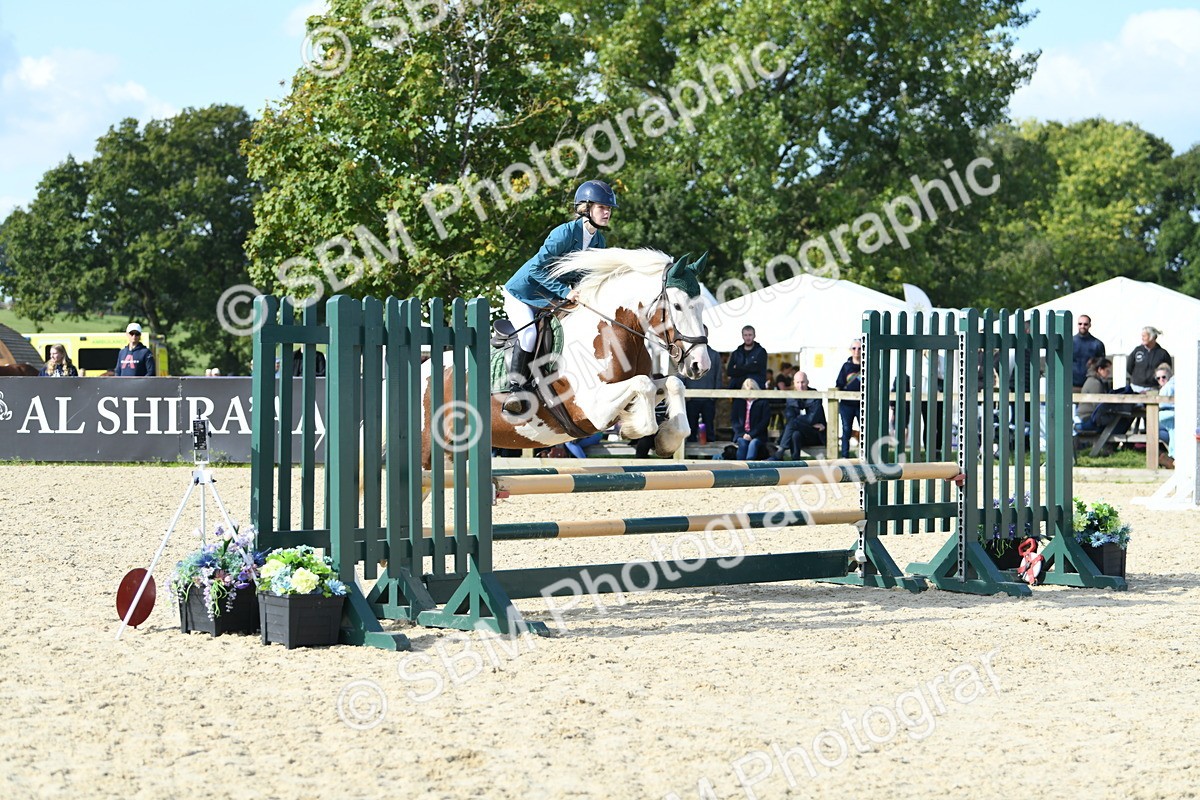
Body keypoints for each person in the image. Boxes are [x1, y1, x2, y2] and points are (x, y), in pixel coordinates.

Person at [501, 180, 616, 413]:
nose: (607, 212)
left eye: (609, 209)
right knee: (530, 334)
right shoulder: (563, 233)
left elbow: (586, 276)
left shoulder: (598, 241)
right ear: (586, 208)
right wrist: (566, 292)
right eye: (602, 207)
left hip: (549, 297)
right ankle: (515, 389)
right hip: (522, 294)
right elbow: (536, 269)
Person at [768, 371, 826, 460]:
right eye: (798, 382)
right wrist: (807, 422)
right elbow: (790, 417)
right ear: (794, 383)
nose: (800, 385)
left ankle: (780, 452)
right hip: (801, 433)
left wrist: (805, 422)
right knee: (795, 434)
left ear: (808, 382)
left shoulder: (815, 396)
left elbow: (812, 418)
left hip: (815, 434)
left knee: (793, 424)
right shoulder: (791, 397)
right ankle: (796, 463)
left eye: (803, 382)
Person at [683, 336, 722, 442]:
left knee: (709, 427)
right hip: (691, 398)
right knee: (691, 428)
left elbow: (718, 376)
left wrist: (714, 396)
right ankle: (691, 457)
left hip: (709, 398)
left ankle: (709, 456)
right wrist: (685, 393)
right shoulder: (688, 355)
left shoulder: (714, 355)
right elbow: (683, 374)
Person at [835, 339, 863, 458]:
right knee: (846, 429)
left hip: (862, 404)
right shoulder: (846, 366)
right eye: (854, 348)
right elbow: (839, 384)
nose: (857, 351)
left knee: (865, 430)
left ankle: (865, 455)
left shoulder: (868, 365)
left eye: (860, 348)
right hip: (847, 404)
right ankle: (844, 456)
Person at [731, 378, 770, 460]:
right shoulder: (738, 402)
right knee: (742, 443)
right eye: (746, 389)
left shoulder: (763, 403)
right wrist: (743, 434)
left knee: (753, 443)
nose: (749, 392)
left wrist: (751, 434)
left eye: (751, 389)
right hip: (741, 434)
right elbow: (734, 421)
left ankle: (750, 466)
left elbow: (764, 422)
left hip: (758, 435)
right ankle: (740, 467)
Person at [1075, 357, 1115, 432]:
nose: (1109, 374)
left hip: (1086, 417)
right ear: (1100, 369)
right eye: (1107, 371)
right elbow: (1099, 406)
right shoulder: (1095, 384)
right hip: (1087, 419)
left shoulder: (1093, 381)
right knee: (1116, 422)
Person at [1127, 326, 1171, 392]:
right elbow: (1129, 367)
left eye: (1144, 336)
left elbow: (1168, 370)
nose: (1142, 338)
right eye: (1142, 336)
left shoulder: (1162, 353)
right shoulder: (1137, 350)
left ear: (1152, 337)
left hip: (1154, 388)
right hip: (1136, 387)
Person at [1072, 315, 1105, 391]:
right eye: (1080, 324)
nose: (1082, 326)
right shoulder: (1069, 343)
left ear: (1090, 325)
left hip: (1090, 384)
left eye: (1085, 324)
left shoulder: (1097, 344)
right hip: (1071, 384)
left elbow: (1101, 366)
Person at [1156, 364, 1175, 467]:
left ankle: (1172, 457)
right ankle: (1171, 457)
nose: (1161, 380)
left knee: (1154, 429)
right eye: (1158, 378)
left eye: (1164, 377)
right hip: (1169, 417)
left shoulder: (1168, 387)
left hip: (1170, 415)